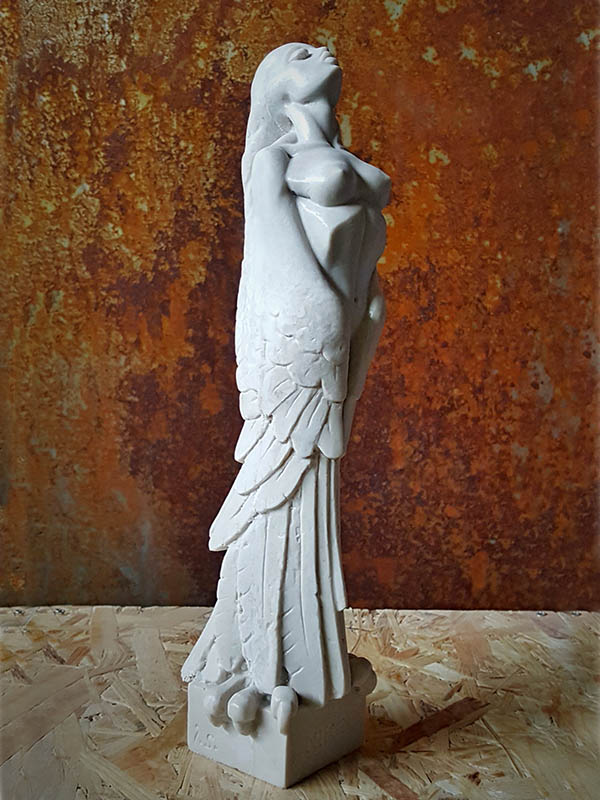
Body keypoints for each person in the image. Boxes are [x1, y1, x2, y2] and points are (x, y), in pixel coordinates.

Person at [182, 42, 390, 735]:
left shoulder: (333, 154)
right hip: (301, 350)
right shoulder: (272, 161)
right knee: (285, 491)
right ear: (279, 84)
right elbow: (274, 260)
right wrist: (327, 325)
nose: (322, 50)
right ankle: (261, 662)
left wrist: (364, 323)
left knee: (309, 491)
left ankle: (298, 664)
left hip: (336, 345)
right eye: (301, 53)